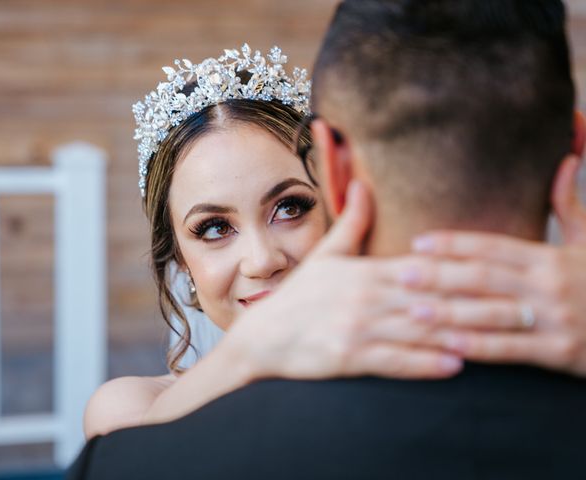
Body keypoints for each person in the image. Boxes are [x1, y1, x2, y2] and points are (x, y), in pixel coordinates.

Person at [67, 0, 586, 477]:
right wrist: (254, 350)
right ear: (177, 257)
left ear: (336, 186)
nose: (263, 259)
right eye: (214, 228)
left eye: (290, 207)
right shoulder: (133, 413)